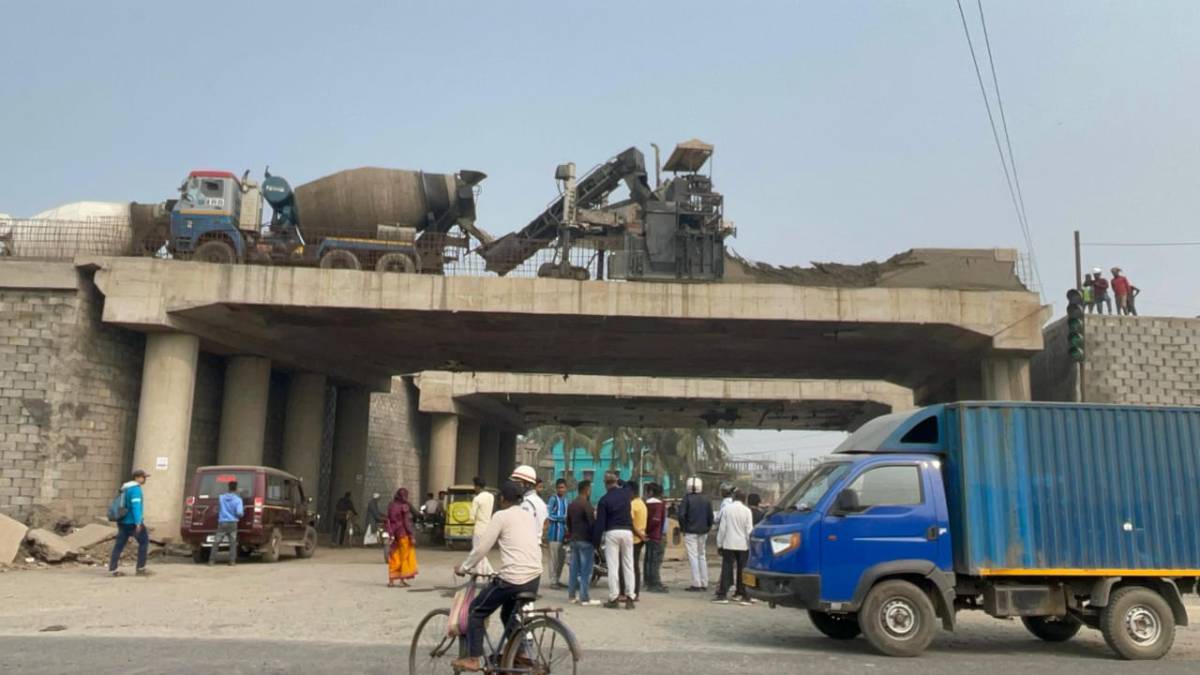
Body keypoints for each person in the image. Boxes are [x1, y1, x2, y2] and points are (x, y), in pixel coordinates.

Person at [452, 480, 543, 673]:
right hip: (534, 578)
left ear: (502, 499)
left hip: (513, 578)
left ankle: (474, 659)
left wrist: (465, 566)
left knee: (476, 610)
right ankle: (518, 654)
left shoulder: (501, 516)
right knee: (506, 614)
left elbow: (481, 549)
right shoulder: (527, 516)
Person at [594, 471, 635, 609]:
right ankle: (630, 598)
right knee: (628, 565)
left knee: (613, 567)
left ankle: (614, 598)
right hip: (627, 531)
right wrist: (618, 480)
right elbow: (627, 484)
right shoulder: (626, 494)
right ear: (616, 482)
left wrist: (596, 541)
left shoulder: (604, 500)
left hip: (612, 532)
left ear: (605, 484)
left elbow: (600, 523)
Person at [713, 489, 754, 605]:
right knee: (743, 569)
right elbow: (749, 530)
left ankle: (723, 595)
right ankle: (744, 594)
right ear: (744, 499)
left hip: (729, 544)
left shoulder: (727, 509)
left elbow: (722, 529)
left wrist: (719, 544)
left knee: (727, 568)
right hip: (743, 545)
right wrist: (750, 545)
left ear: (734, 497)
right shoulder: (747, 511)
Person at [109, 469, 151, 577]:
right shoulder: (135, 490)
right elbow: (135, 506)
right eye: (143, 477)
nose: (145, 479)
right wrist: (138, 522)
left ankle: (113, 569)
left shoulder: (125, 488)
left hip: (122, 521)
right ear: (137, 477)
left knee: (119, 545)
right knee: (144, 542)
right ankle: (141, 568)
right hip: (132, 522)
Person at [566, 479, 600, 605]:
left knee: (574, 569)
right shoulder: (586, 505)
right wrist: (595, 539)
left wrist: (572, 533)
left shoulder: (572, 504)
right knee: (586, 570)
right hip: (585, 540)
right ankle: (584, 597)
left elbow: (568, 522)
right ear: (587, 490)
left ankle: (571, 596)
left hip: (574, 539)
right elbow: (592, 523)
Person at [677, 476, 713, 591]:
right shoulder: (706, 499)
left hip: (690, 531)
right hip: (703, 531)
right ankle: (704, 582)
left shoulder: (686, 499)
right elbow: (710, 516)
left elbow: (681, 515)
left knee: (693, 557)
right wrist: (707, 528)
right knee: (702, 555)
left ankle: (696, 583)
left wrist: (683, 528)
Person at [386, 488, 417, 587]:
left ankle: (391, 580)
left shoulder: (391, 505)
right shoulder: (404, 506)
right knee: (404, 557)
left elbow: (388, 519)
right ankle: (402, 580)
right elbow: (406, 522)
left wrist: (390, 532)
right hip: (403, 533)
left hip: (392, 532)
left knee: (394, 556)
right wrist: (411, 535)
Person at [642, 482, 669, 594]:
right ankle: (655, 583)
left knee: (649, 559)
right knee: (655, 560)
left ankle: (648, 581)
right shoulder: (658, 505)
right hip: (657, 536)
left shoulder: (646, 504)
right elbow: (656, 520)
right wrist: (651, 530)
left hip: (649, 535)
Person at [210, 479, 244, 566]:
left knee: (217, 542)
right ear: (236, 489)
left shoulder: (221, 498)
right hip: (233, 523)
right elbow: (239, 513)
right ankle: (232, 561)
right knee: (232, 543)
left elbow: (218, 508)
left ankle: (212, 561)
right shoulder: (238, 500)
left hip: (222, 522)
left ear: (228, 487)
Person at [510, 465, 548, 536]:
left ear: (526, 484)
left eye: (517, 482)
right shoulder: (540, 502)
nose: (514, 486)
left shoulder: (526, 502)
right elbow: (545, 524)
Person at [469, 477, 495, 576]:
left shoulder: (477, 498)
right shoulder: (491, 496)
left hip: (479, 527)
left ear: (477, 486)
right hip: (488, 527)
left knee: (477, 550)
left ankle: (488, 571)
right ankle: (483, 571)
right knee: (482, 551)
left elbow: (472, 516)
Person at [546, 479, 569, 589]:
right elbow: (548, 515)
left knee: (561, 559)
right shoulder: (553, 499)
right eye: (559, 487)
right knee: (553, 559)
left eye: (562, 487)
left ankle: (557, 579)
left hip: (563, 536)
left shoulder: (566, 501)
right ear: (556, 489)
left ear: (566, 488)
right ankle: (553, 581)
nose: (561, 489)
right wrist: (561, 519)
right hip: (554, 534)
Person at [627, 482, 648, 600]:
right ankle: (635, 592)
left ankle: (633, 592)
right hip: (640, 538)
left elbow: (630, 523)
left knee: (632, 566)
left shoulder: (633, 505)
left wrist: (639, 534)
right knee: (635, 566)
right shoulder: (642, 503)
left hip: (635, 538)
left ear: (631, 492)